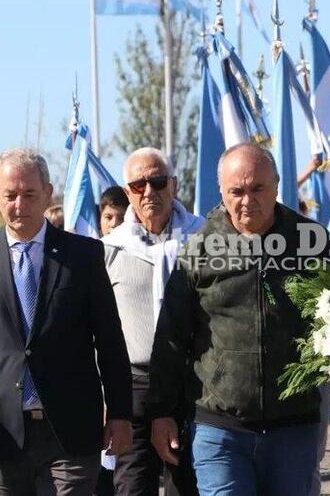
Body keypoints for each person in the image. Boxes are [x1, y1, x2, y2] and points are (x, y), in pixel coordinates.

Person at [0, 148, 133, 494]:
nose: (19, 205)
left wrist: (121, 414)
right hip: (2, 429)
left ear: (48, 194)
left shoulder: (83, 256)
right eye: (10, 196)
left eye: (29, 195)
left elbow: (110, 339)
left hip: (71, 428)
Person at [148, 143, 330, 496]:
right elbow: (171, 339)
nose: (247, 200)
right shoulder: (198, 251)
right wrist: (161, 413)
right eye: (237, 191)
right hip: (219, 428)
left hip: (294, 426)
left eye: (257, 188)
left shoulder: (313, 243)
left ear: (277, 184)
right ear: (222, 191)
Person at [102, 148, 204, 496]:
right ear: (127, 191)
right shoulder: (108, 249)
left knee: (187, 487)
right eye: (138, 183)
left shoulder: (206, 241)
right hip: (134, 387)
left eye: (158, 181)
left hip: (193, 386)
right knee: (131, 488)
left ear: (173, 185)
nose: (149, 191)